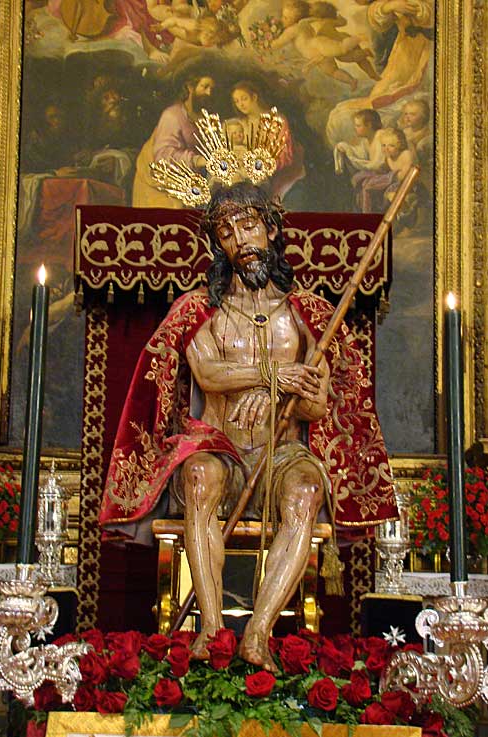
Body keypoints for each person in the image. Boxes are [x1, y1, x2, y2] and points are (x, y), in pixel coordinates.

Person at [100, 181, 397, 671]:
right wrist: (275, 375)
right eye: (227, 232)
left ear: (271, 229)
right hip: (219, 447)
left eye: (249, 226)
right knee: (198, 478)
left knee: (307, 490)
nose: (241, 240)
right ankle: (211, 629)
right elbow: (209, 374)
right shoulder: (199, 310)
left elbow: (316, 404)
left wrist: (280, 395)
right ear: (218, 244)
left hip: (281, 454)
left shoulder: (309, 315)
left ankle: (258, 633)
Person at [132, 74, 216, 207]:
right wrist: (197, 160)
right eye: (205, 87)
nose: (209, 93)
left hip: (188, 180)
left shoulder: (204, 117)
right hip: (159, 184)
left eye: (212, 89)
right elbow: (163, 156)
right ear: (190, 87)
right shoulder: (172, 115)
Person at [231, 81, 305, 201]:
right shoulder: (240, 124)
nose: (241, 104)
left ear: (254, 97)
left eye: (244, 99)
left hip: (277, 174)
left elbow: (283, 155)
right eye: (237, 101)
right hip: (247, 173)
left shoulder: (276, 120)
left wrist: (261, 167)